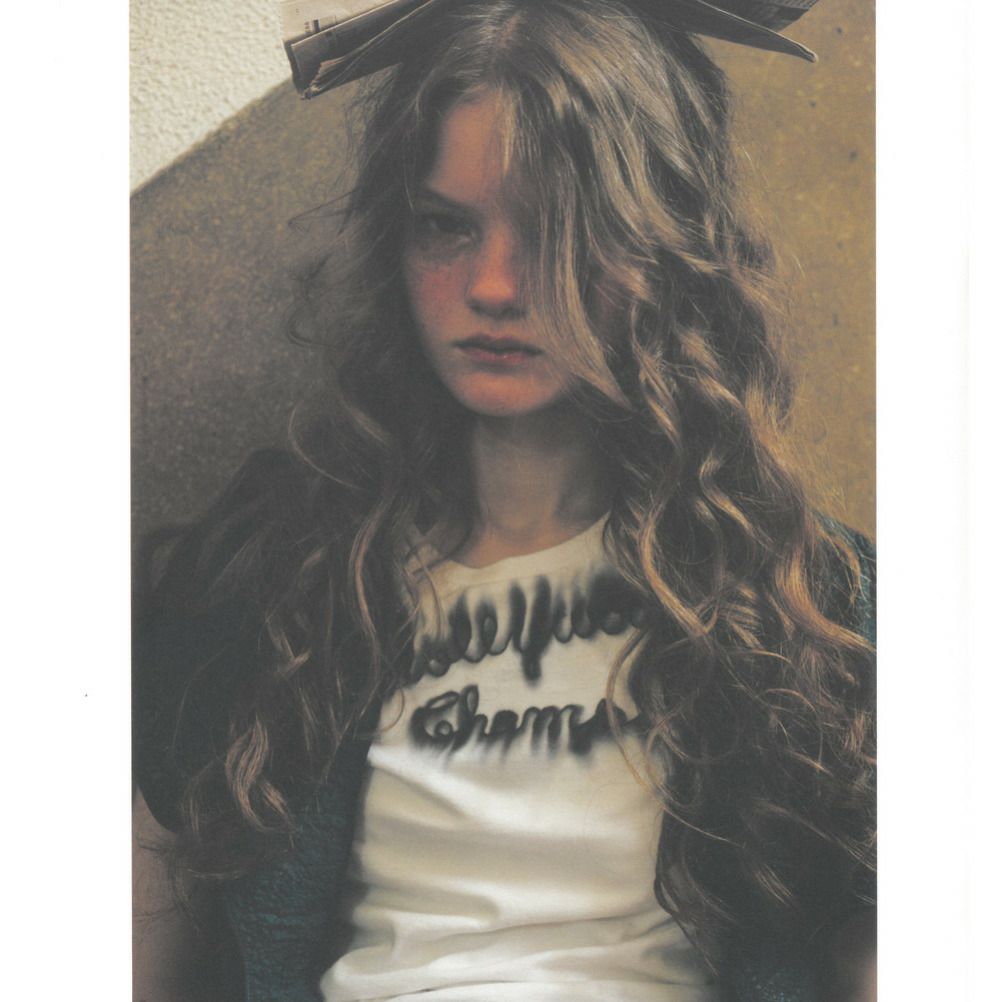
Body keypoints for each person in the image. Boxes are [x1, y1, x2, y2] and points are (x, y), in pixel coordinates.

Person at [133, 2, 875, 1000]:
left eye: (558, 227)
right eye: (447, 225)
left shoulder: (806, 601)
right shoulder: (280, 578)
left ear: (659, 244)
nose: (493, 284)